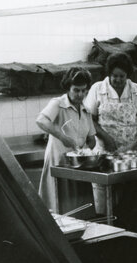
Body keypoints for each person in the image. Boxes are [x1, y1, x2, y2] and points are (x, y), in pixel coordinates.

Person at [84, 52, 137, 213]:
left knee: (131, 201)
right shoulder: (98, 89)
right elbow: (90, 119)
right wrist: (105, 137)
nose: (118, 80)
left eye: (122, 76)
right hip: (105, 155)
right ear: (109, 74)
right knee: (106, 204)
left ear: (128, 75)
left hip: (131, 156)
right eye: (115, 76)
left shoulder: (136, 90)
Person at [36, 68, 97, 212]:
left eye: (84, 91)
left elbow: (91, 139)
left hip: (79, 166)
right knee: (59, 209)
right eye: (76, 90)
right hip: (59, 164)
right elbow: (41, 120)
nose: (80, 94)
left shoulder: (86, 110)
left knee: (80, 209)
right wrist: (62, 137)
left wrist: (89, 148)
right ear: (68, 88)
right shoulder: (58, 103)